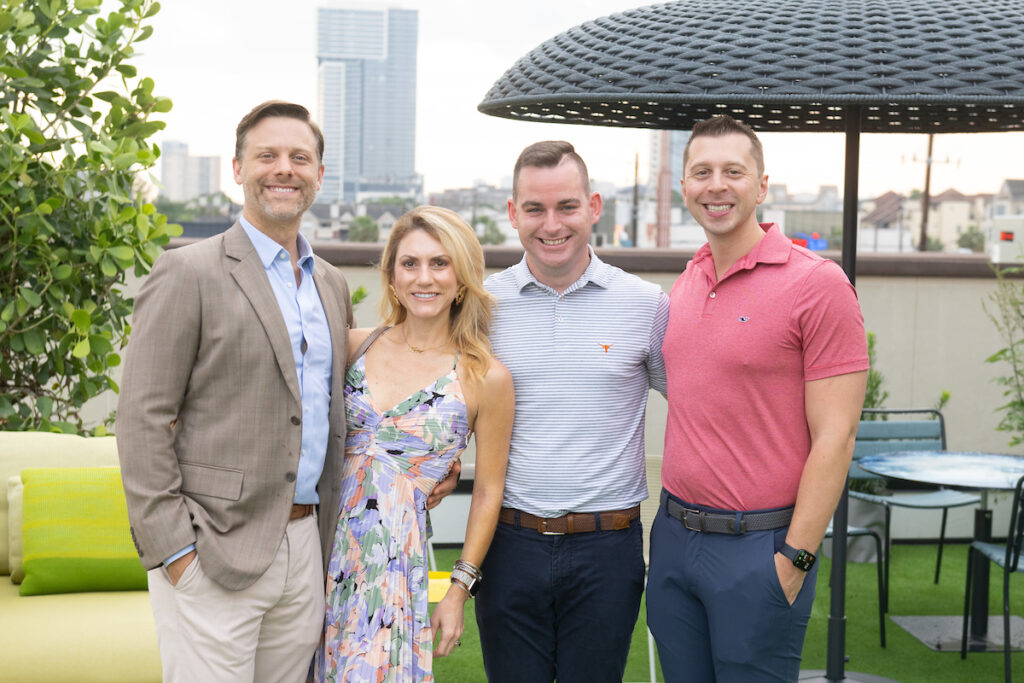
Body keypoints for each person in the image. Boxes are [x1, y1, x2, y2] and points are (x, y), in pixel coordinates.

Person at [115, 101, 457, 683]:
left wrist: (426, 467)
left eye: (300, 158)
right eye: (267, 155)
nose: (284, 169)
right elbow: (141, 419)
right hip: (211, 551)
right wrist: (175, 553)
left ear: (320, 176)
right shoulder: (188, 272)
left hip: (309, 550)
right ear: (238, 168)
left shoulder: (328, 283)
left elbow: (357, 402)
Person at [647, 114, 869, 682]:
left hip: (761, 546)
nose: (716, 185)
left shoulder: (817, 285)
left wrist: (794, 558)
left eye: (733, 171)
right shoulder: (689, 278)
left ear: (762, 186)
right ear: (684, 188)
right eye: (702, 172)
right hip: (674, 538)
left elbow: (837, 436)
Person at [476, 141, 670, 683]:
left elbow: (698, 404)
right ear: (513, 214)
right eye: (535, 209)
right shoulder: (481, 307)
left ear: (594, 207)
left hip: (608, 548)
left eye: (566, 206)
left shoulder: (646, 304)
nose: (551, 224)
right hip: (508, 543)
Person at [315, 206, 514, 682]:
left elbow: (488, 492)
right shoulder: (351, 347)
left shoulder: (485, 377)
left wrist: (458, 590)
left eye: (440, 263)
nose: (424, 278)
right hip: (313, 555)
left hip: (392, 570)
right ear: (391, 276)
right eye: (410, 263)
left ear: (462, 278)